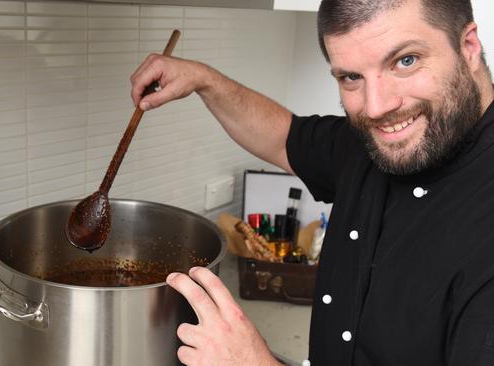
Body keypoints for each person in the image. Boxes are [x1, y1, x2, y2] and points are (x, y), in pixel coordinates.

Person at [130, 0, 494, 365]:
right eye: (351, 77)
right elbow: (282, 138)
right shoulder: (377, 142)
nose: (376, 106)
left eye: (405, 60)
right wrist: (203, 80)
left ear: (468, 46)